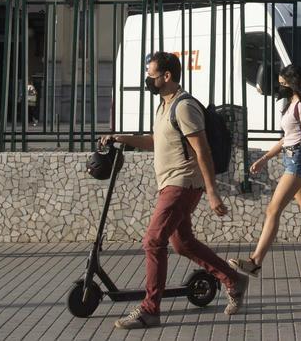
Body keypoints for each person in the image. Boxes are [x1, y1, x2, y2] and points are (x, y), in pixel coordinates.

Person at [99, 51, 247, 329]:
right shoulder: (164, 105)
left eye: (151, 75)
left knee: (154, 241)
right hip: (169, 183)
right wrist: (123, 138)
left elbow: (202, 151)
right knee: (182, 243)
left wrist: (213, 191)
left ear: (167, 76)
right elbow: (157, 141)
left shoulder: (184, 107)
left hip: (182, 184)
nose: (147, 80)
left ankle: (149, 309)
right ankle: (234, 279)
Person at [228, 65, 301, 278]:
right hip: (290, 158)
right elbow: (287, 137)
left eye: (283, 83)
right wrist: (264, 158)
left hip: (298, 161)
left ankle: (255, 261)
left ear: (293, 83)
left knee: (273, 210)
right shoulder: (290, 105)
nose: (280, 87)